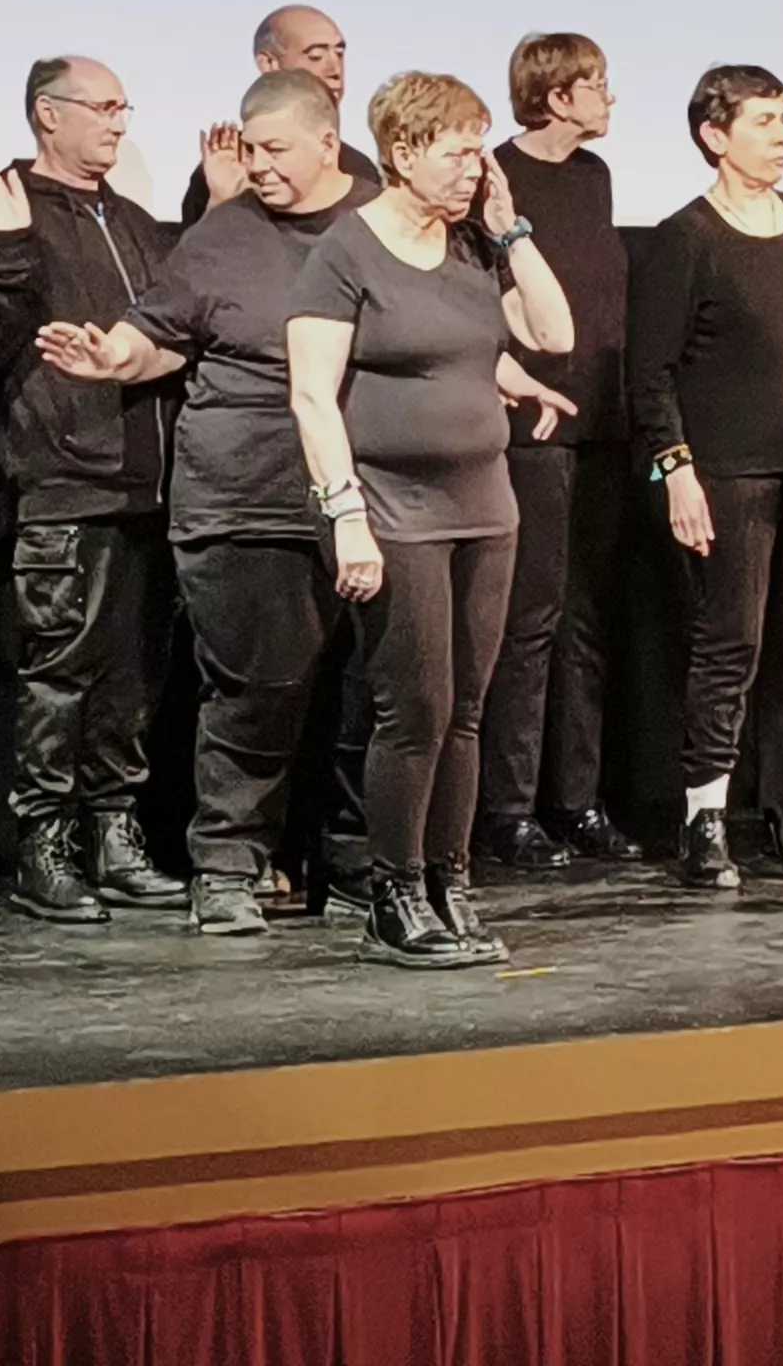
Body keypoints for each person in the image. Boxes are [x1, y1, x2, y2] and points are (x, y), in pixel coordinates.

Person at [31, 70, 376, 936]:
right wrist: (111, 356)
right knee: (255, 691)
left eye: (274, 150)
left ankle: (360, 865)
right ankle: (226, 866)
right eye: (248, 150)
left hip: (376, 497)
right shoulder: (221, 237)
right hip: (243, 499)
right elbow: (158, 338)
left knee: (378, 697)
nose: (255, 165)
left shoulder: (380, 223)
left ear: (328, 143)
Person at [288, 72, 577, 970]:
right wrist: (345, 518)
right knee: (414, 710)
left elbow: (555, 334)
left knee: (466, 711)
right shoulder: (345, 253)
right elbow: (310, 393)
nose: (474, 167)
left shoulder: (471, 249)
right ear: (403, 153)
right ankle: (392, 892)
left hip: (485, 506)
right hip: (392, 507)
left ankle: (450, 885)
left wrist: (510, 227)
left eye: (480, 148)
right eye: (458, 151)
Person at [0, 57, 183, 926]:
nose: (121, 122)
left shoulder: (132, 220)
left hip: (149, 485)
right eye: (105, 107)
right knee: (62, 670)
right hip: (63, 483)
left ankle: (115, 836)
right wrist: (11, 246)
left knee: (132, 677)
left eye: (127, 106)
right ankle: (44, 848)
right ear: (49, 115)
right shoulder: (11, 211)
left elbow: (177, 326)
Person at [630, 64, 783, 890]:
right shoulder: (686, 237)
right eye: (764, 121)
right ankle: (704, 821)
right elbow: (650, 373)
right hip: (728, 473)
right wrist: (677, 470)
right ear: (714, 136)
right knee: (731, 645)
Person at [479, 32, 634, 870]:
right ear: (558, 94)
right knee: (530, 619)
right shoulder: (498, 177)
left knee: (587, 619)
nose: (611, 98)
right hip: (533, 426)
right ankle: (508, 810)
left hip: (603, 425)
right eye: (599, 84)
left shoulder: (595, 177)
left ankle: (575, 799)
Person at [180, 4, 378, 222]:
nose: (334, 70)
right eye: (315, 56)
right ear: (269, 63)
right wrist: (222, 205)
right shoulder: (223, 169)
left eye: (339, 54)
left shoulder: (360, 169)